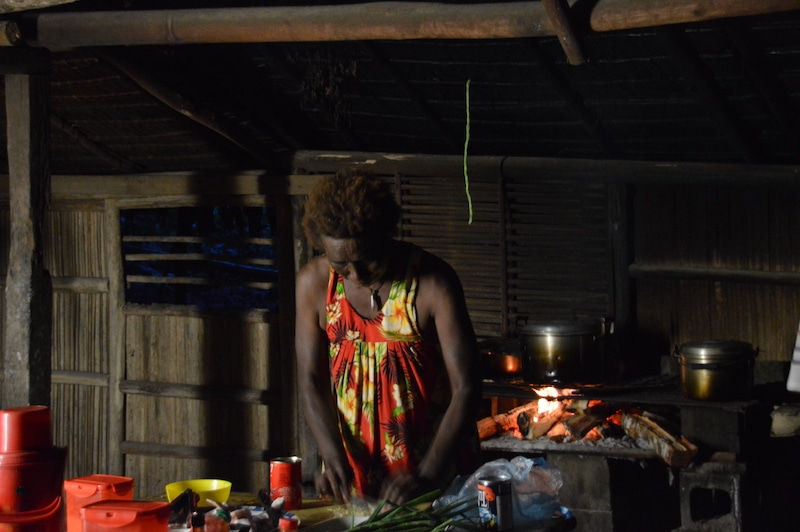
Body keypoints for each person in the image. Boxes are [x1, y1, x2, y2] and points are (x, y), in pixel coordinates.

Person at [294, 169, 481, 506]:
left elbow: (467, 386)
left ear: (386, 235)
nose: (356, 274)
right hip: (356, 478)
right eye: (342, 264)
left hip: (433, 477)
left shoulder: (432, 284)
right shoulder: (314, 285)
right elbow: (310, 378)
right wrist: (331, 454)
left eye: (367, 259)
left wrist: (428, 472)